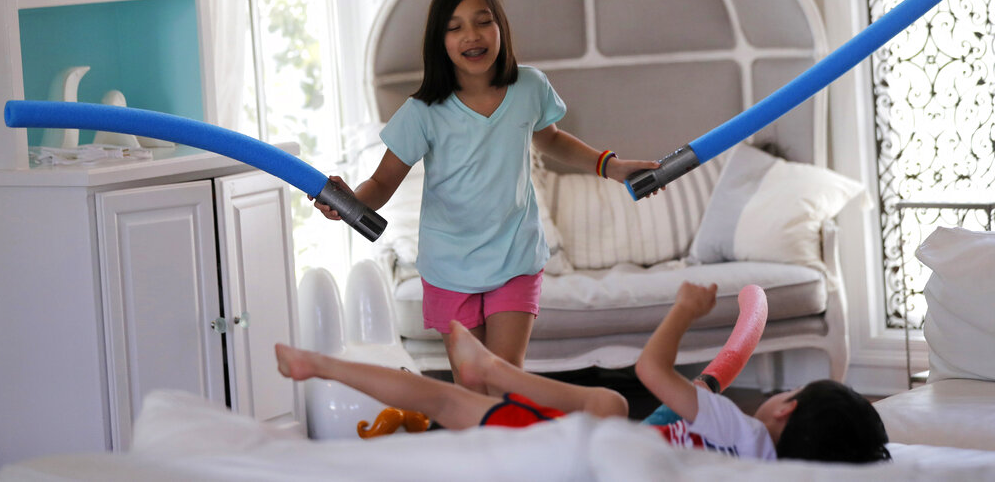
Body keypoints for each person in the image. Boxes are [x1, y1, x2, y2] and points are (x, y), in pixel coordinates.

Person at [313, 0, 659, 387]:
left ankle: (511, 448)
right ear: (438, 41)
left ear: (501, 29)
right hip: (448, 266)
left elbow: (549, 138)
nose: (472, 35)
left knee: (506, 377)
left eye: (483, 21)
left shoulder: (529, 87)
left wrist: (612, 166)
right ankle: (480, 449)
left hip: (515, 256)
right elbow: (383, 182)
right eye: (455, 27)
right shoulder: (422, 112)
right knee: (472, 384)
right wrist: (349, 202)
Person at [276, 281, 891, 463]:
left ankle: (324, 364)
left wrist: (684, 310)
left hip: (570, 453)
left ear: (786, 408)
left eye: (789, 391)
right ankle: (323, 363)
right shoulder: (762, 466)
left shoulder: (743, 428)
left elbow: (652, 369)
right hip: (604, 450)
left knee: (610, 407)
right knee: (612, 413)